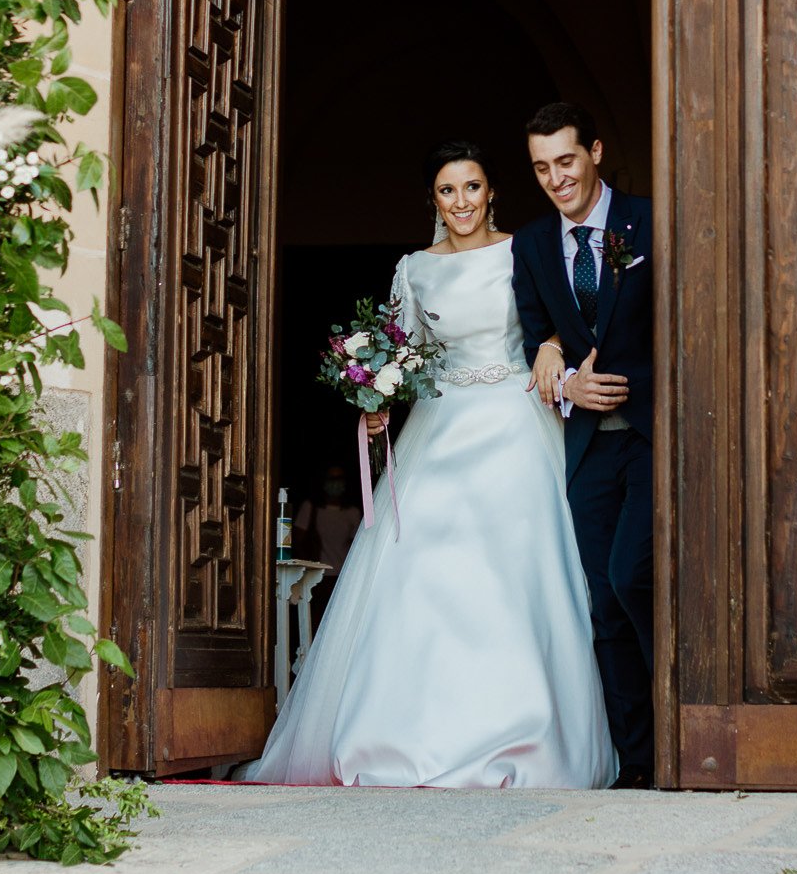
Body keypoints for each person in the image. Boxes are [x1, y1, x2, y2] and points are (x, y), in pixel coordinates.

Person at [240, 141, 615, 788]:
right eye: (448, 190)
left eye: (472, 186)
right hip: (440, 426)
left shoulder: (523, 248)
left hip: (515, 419)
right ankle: (405, 734)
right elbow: (403, 352)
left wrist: (553, 345)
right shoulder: (413, 268)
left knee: (515, 572)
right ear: (433, 200)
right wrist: (378, 398)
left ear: (491, 190)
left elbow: (562, 318)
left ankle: (526, 735)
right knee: (426, 566)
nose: (462, 201)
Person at [512, 102, 656, 788]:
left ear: (594, 150)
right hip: (588, 446)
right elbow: (536, 336)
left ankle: (684, 728)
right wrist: (568, 383)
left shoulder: (648, 220)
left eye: (565, 161)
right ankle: (642, 762)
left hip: (654, 432)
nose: (556, 178)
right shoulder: (533, 245)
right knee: (602, 603)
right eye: (542, 168)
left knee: (636, 576)